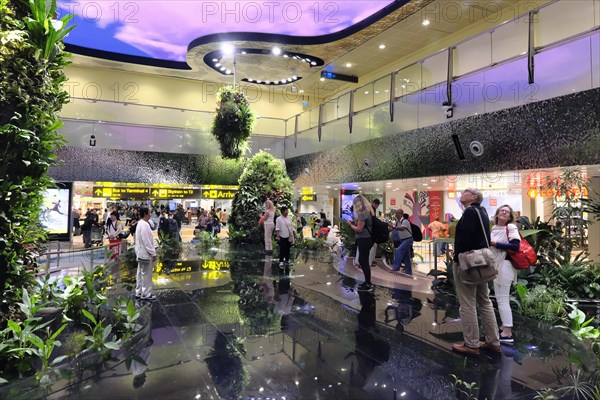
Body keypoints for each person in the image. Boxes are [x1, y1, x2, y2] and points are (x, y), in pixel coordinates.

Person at [452, 188, 500, 355]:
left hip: (469, 264)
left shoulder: (470, 212)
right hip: (482, 263)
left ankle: (471, 344)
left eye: (465, 192)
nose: (461, 193)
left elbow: (465, 238)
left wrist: (457, 257)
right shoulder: (482, 212)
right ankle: (493, 341)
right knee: (484, 301)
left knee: (467, 303)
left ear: (473, 197)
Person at [490, 205, 520, 344]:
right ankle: (504, 326)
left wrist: (496, 244)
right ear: (497, 214)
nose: (503, 212)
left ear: (509, 217)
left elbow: (515, 246)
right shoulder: (494, 229)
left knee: (502, 299)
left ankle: (507, 332)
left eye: (507, 212)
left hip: (505, 266)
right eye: (501, 210)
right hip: (496, 266)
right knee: (499, 298)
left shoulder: (511, 228)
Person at [346, 195, 374, 291]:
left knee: (363, 261)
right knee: (363, 260)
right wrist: (355, 223)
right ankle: (367, 282)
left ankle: (368, 283)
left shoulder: (363, 214)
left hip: (364, 239)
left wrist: (350, 225)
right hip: (367, 239)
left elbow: (359, 229)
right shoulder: (368, 212)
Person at [135, 207, 157, 301]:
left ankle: (139, 292)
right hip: (145, 254)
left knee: (140, 273)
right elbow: (146, 241)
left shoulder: (140, 223)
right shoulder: (144, 225)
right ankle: (146, 294)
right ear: (145, 214)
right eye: (149, 212)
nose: (150, 214)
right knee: (146, 274)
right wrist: (153, 253)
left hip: (140, 253)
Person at [354, 199, 380, 268]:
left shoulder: (365, 211)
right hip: (367, 235)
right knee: (368, 250)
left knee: (362, 251)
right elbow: (360, 227)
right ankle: (366, 263)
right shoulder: (369, 211)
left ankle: (363, 263)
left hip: (364, 235)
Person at [390, 208, 413, 276]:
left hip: (408, 239)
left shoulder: (405, 221)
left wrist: (394, 227)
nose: (396, 214)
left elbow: (402, 228)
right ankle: (408, 272)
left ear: (401, 214)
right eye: (396, 213)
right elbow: (395, 230)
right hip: (403, 240)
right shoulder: (398, 222)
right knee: (406, 257)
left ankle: (396, 267)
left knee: (399, 250)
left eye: (397, 213)